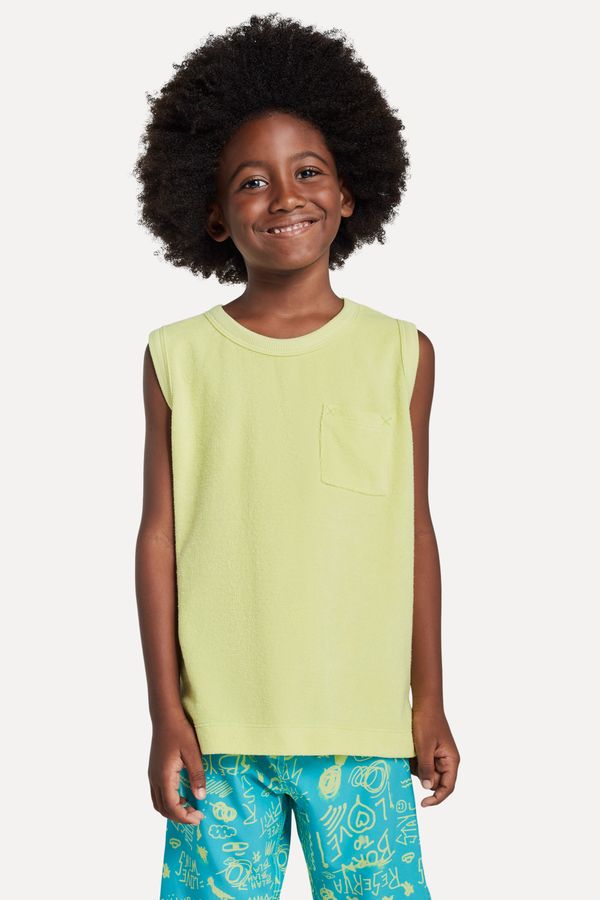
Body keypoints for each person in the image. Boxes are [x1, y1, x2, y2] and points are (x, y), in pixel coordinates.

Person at [134, 12, 460, 899]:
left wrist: (428, 700)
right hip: (219, 738)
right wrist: (166, 715)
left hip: (361, 732)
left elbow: (414, 533)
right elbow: (159, 539)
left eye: (308, 171)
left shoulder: (401, 354)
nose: (284, 197)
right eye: (252, 181)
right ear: (212, 212)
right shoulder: (177, 357)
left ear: (349, 191)